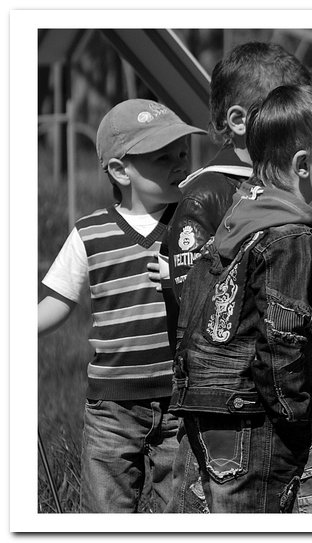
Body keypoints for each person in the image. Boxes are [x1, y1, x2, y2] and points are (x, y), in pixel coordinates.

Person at [156, 42, 312, 513]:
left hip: (263, 389)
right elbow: (196, 291)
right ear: (241, 121)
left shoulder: (274, 194)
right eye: (284, 110)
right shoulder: (210, 192)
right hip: (232, 390)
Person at [38, 98, 206, 512]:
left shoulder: (195, 224)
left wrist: (187, 277)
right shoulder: (90, 233)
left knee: (181, 510)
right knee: (104, 511)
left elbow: (221, 291)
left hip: (183, 400)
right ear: (119, 170)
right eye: (161, 156)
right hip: (112, 407)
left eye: (182, 152)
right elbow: (58, 301)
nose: (179, 163)